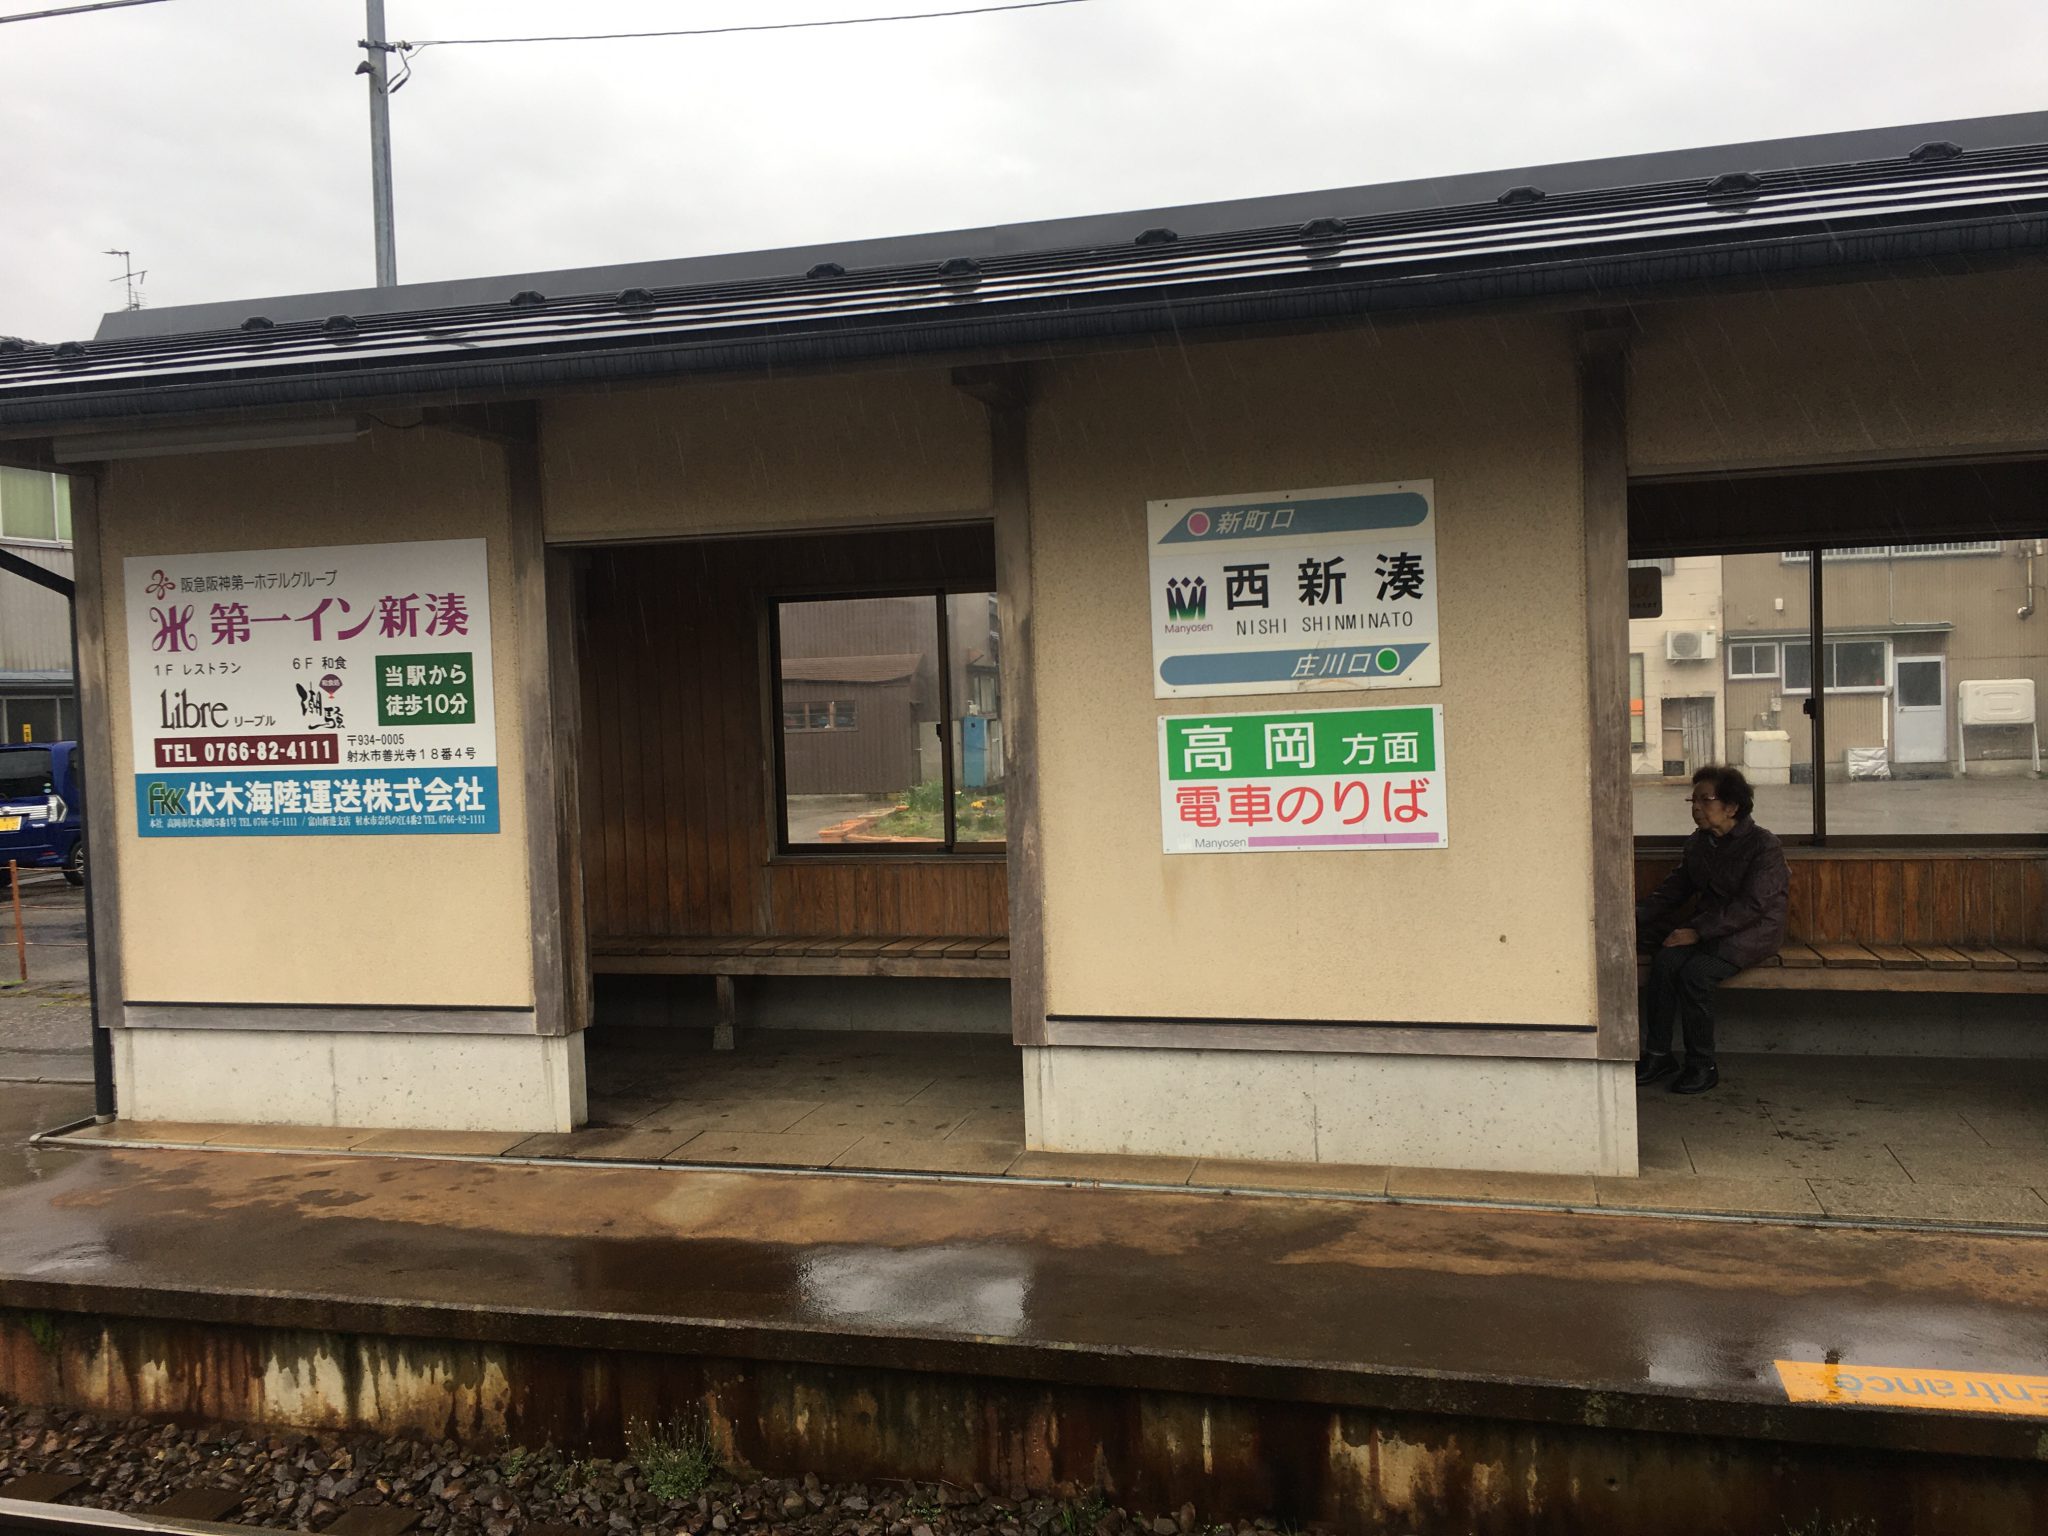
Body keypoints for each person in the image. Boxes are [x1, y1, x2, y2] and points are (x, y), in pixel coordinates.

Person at [1634, 764, 1789, 1094]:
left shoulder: (1764, 846)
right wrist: (1631, 919)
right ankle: (1659, 1055)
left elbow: (1753, 906)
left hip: (1752, 933)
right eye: (1693, 800)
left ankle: (1702, 1065)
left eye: (1705, 800)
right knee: (1665, 963)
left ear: (1731, 806)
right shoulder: (1700, 843)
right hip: (1709, 929)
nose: (1696, 808)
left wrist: (1697, 932)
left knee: (1695, 974)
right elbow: (1674, 891)